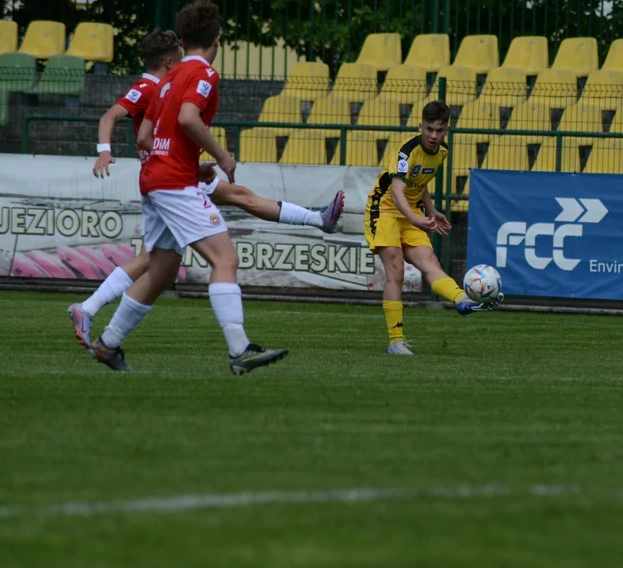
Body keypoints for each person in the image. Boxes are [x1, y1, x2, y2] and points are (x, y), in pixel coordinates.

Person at [68, 29, 344, 352]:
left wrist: (185, 161)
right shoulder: (151, 86)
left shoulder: (166, 85)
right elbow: (114, 118)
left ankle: (103, 334)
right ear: (171, 60)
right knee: (173, 258)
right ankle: (88, 310)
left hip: (173, 171)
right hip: (170, 176)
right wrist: (105, 149)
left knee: (169, 257)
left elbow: (147, 137)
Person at [84, 0, 289, 374]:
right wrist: (221, 157)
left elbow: (145, 135)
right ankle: (239, 351)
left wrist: (185, 165)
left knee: (162, 269)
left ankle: (108, 344)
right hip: (174, 183)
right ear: (218, 39)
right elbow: (189, 118)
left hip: (154, 179)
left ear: (184, 38)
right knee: (225, 259)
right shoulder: (203, 74)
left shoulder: (167, 78)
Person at [364, 101, 500, 356]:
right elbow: (396, 191)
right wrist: (416, 219)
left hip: (412, 211)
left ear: (447, 130)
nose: (433, 136)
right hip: (383, 210)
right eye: (429, 129)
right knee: (395, 271)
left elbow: (421, 182)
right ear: (420, 127)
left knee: (430, 263)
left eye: (439, 130)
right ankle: (395, 341)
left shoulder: (441, 152)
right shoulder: (407, 151)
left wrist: (431, 209)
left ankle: (461, 298)